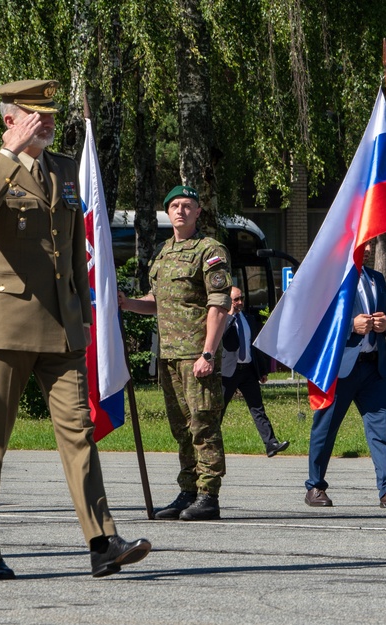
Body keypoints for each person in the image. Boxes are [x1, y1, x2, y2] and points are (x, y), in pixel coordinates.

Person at [0, 79, 151, 579]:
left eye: (49, 114)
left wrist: (84, 319)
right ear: (10, 119)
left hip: (62, 327)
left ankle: (102, 542)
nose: (46, 121)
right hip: (3, 329)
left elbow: (71, 251)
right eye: (34, 114)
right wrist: (9, 153)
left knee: (79, 432)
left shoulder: (66, 169)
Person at [119, 184, 232, 521]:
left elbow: (219, 304)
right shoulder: (164, 253)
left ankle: (208, 495)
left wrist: (208, 353)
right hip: (169, 356)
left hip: (197, 355)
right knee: (181, 428)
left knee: (203, 423)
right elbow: (157, 302)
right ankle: (188, 489)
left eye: (188, 205)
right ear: (167, 212)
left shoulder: (209, 250)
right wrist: (127, 304)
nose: (181, 211)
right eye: (175, 206)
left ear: (198, 212)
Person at [305, 242, 386, 509]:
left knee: (381, 428)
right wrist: (350, 325)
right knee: (325, 427)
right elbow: (317, 320)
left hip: (373, 367)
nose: (367, 248)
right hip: (339, 369)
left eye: (370, 242)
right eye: (362, 242)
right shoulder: (330, 279)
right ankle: (314, 486)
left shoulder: (376, 278)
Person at [221, 286, 290, 457]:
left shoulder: (248, 319)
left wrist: (262, 371)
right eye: (236, 299)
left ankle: (271, 443)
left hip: (248, 371)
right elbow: (221, 336)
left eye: (241, 298)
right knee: (218, 409)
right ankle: (208, 443)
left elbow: (255, 346)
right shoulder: (222, 318)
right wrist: (229, 315)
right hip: (229, 372)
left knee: (257, 408)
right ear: (228, 301)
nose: (240, 302)